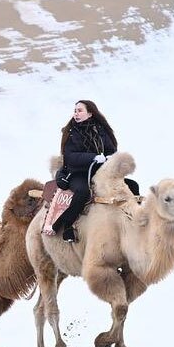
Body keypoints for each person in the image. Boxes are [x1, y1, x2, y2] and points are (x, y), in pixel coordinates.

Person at [49, 100, 118, 243]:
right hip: (77, 172)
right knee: (82, 191)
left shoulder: (100, 131)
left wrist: (110, 157)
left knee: (131, 185)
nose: (76, 113)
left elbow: (111, 150)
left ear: (90, 113)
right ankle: (67, 224)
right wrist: (92, 157)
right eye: (75, 111)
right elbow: (70, 156)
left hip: (100, 172)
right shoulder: (71, 133)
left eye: (80, 110)